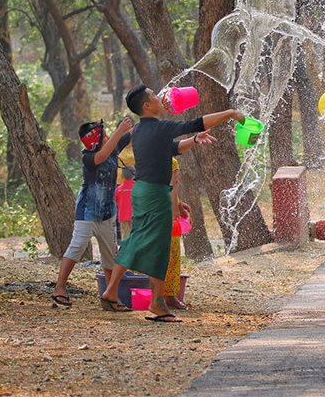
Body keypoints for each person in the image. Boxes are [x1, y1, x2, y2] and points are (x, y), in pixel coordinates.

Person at [100, 84, 238, 323]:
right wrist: (230, 113)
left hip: (142, 192)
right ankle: (157, 302)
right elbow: (197, 122)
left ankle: (111, 292)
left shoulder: (141, 130)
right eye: (154, 96)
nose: (160, 98)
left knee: (135, 239)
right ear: (146, 105)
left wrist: (195, 140)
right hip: (155, 194)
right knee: (160, 246)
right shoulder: (159, 127)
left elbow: (172, 148)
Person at [52, 117, 133, 307]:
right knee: (77, 245)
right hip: (87, 212)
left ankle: (110, 295)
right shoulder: (88, 157)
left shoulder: (113, 148)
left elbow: (135, 132)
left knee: (110, 254)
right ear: (93, 141)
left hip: (107, 214)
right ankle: (60, 287)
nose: (108, 137)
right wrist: (119, 131)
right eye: (104, 135)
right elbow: (101, 157)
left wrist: (153, 111)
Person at [164, 158, 188, 310]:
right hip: (166, 212)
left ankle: (154, 294)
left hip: (149, 207)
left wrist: (179, 205)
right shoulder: (171, 162)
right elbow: (171, 188)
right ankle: (170, 297)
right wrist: (174, 213)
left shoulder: (145, 155)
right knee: (171, 256)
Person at [115, 166, 135, 242]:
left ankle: (127, 252)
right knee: (135, 236)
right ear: (134, 175)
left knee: (126, 237)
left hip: (123, 217)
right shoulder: (136, 188)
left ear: (122, 176)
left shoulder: (118, 189)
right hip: (135, 216)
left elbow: (116, 202)